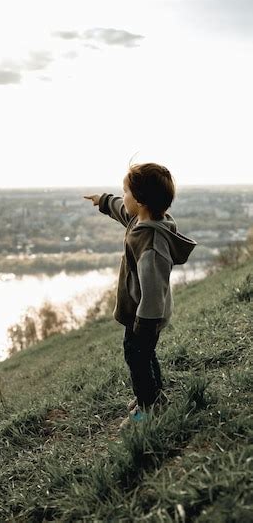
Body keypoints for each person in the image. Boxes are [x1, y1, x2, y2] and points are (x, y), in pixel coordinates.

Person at [84, 162, 197, 427]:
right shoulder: (142, 221)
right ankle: (155, 397)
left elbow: (154, 292)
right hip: (139, 313)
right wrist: (103, 201)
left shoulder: (152, 244)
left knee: (137, 357)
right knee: (145, 356)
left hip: (145, 316)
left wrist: (144, 325)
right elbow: (123, 211)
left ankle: (147, 409)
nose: (123, 198)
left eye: (125, 192)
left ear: (142, 200)